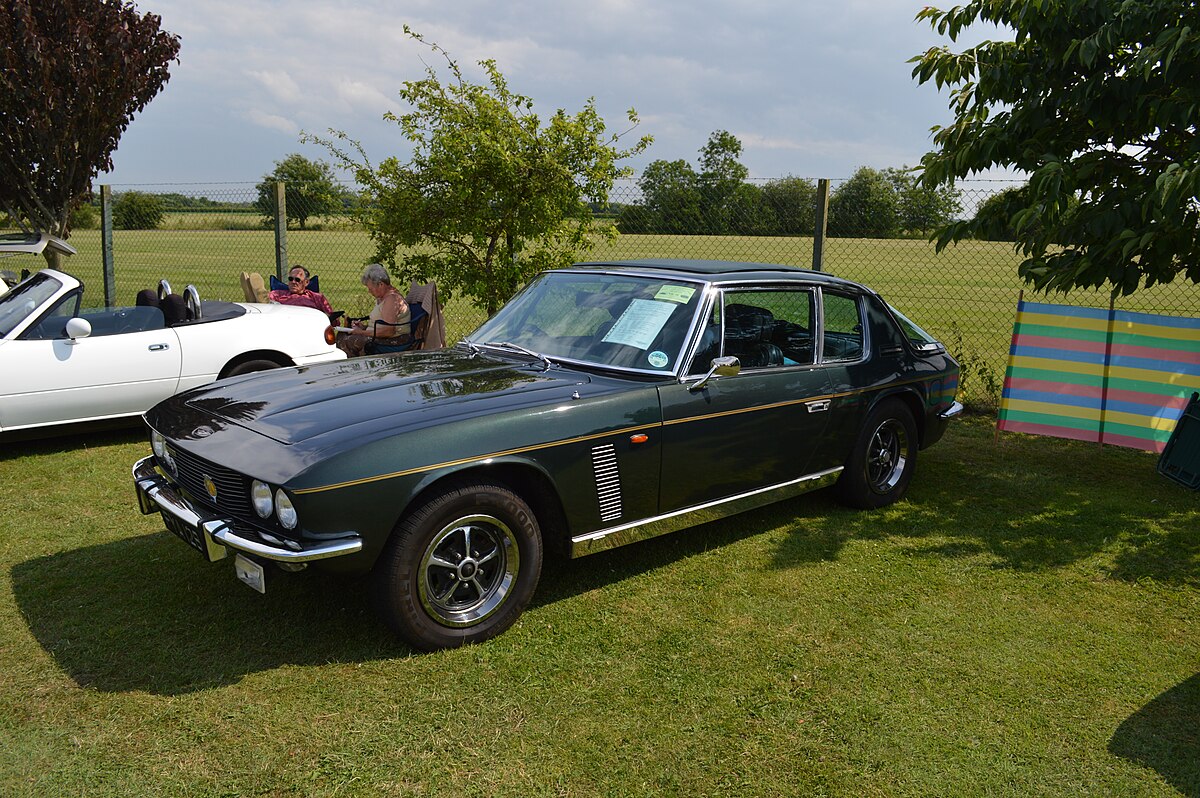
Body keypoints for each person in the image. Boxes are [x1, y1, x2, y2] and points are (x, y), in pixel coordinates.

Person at [336, 263, 411, 357]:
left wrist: (361, 332)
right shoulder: (383, 297)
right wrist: (363, 327)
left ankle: (353, 368)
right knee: (343, 335)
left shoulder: (391, 300)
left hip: (393, 341)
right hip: (382, 337)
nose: (369, 291)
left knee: (347, 340)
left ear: (381, 284)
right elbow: (381, 324)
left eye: (370, 289)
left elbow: (388, 331)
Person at [268, 265, 334, 315]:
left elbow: (333, 319)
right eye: (290, 279)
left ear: (306, 282)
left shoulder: (317, 298)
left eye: (297, 280)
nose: (293, 282)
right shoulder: (277, 294)